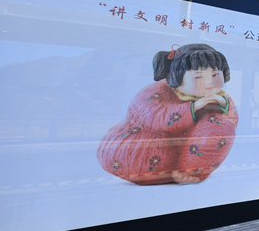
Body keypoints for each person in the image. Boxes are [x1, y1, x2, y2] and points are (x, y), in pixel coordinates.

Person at [97, 43, 239, 185]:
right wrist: (193, 107)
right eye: (199, 77)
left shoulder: (220, 97)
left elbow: (231, 119)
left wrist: (222, 104)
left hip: (185, 156)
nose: (209, 82)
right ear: (178, 78)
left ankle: (192, 171)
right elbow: (153, 117)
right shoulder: (155, 91)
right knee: (139, 157)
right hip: (145, 150)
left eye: (215, 75)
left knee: (220, 125)